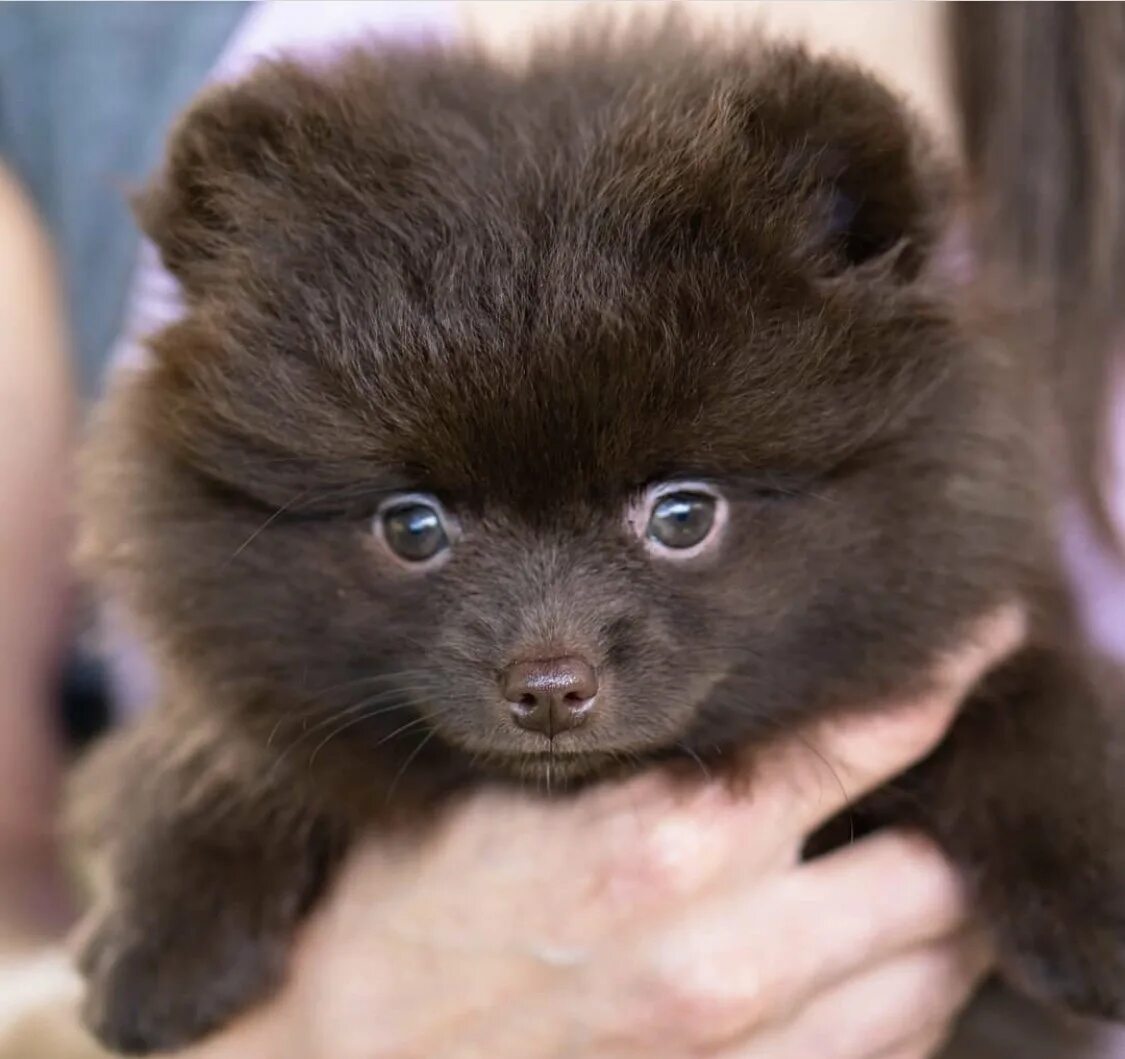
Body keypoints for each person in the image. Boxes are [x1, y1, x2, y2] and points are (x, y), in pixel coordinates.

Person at [0, 4, 1120, 1058]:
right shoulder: (79, 46)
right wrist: (304, 1031)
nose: (549, 658)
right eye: (415, 529)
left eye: (679, 519)